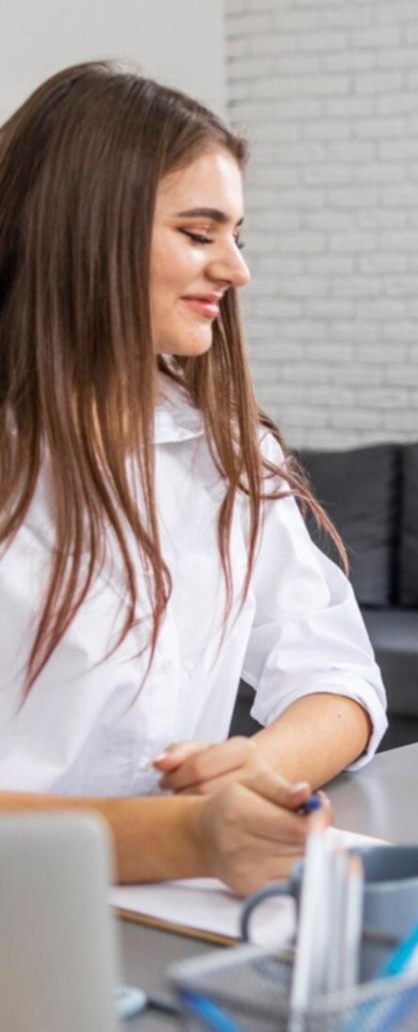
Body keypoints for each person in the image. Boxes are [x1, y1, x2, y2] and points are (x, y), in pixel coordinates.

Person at [0, 63, 388, 895]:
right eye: (199, 233)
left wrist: (259, 767)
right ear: (85, 231)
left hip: (174, 916)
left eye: (237, 236)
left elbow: (339, 677)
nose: (237, 270)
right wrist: (185, 837)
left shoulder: (222, 450)